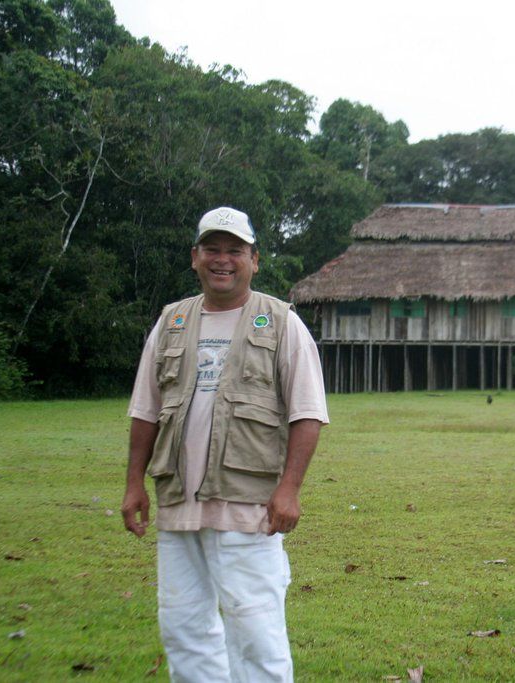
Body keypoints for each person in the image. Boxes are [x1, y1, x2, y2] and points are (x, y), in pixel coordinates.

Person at [121, 206, 328, 682]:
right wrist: (134, 483)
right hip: (177, 504)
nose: (222, 259)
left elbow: (308, 413)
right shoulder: (171, 321)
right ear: (195, 257)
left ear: (254, 259)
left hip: (248, 506)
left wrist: (290, 489)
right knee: (183, 627)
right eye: (212, 249)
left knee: (255, 632)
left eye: (234, 250)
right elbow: (145, 410)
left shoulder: (280, 322)